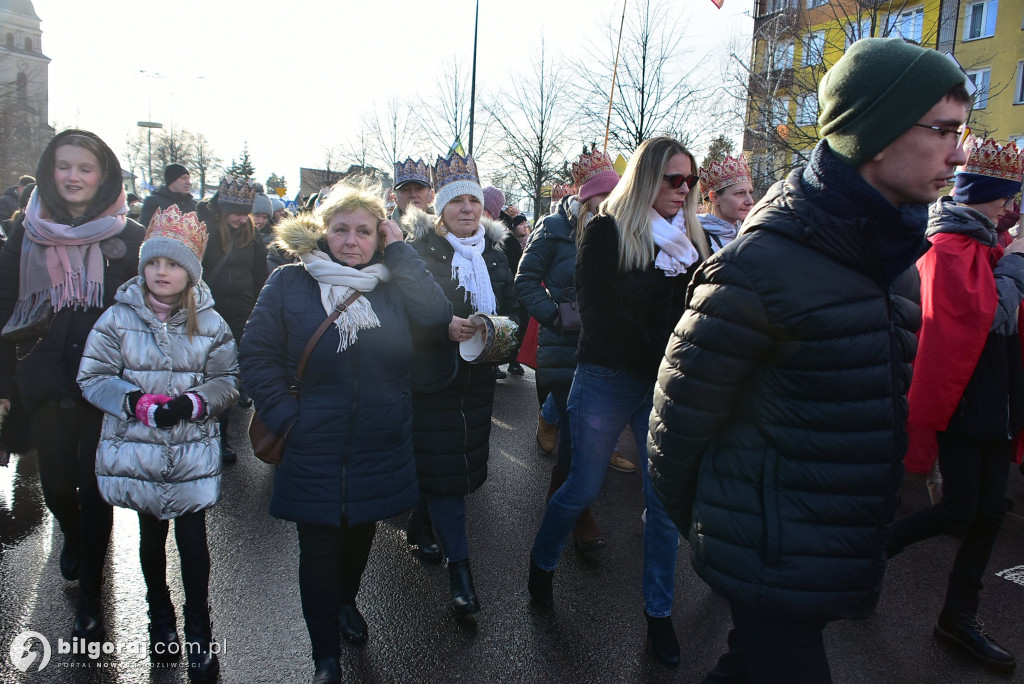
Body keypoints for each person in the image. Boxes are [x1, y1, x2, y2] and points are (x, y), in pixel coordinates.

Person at [648, 38, 971, 682]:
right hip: (769, 552)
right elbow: (674, 429)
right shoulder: (761, 266)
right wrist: (730, 537)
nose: (959, 154)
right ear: (875, 137)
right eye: (943, 130)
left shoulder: (894, 263)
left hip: (831, 542)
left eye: (963, 133)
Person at [239, 182, 450, 684]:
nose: (351, 241)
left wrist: (401, 251)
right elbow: (257, 354)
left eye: (364, 231)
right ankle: (325, 657)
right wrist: (289, 418)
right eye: (340, 230)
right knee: (318, 548)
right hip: (314, 440)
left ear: (379, 236)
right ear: (324, 232)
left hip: (380, 440)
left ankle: (346, 603)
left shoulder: (394, 282)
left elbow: (437, 315)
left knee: (359, 538)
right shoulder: (291, 282)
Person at [528, 136, 709, 667]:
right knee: (582, 484)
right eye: (672, 179)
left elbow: (698, 311)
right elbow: (600, 313)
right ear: (646, 178)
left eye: (690, 180)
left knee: (662, 506)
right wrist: (663, 352)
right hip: (608, 374)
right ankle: (541, 563)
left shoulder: (693, 239)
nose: (682, 189)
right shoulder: (606, 229)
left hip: (663, 384)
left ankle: (658, 615)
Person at [77, 206, 238, 682]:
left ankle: (199, 625)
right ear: (142, 266)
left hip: (190, 451)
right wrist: (137, 402)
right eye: (153, 263)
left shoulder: (211, 323)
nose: (160, 272)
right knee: (151, 538)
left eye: (171, 264)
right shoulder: (117, 317)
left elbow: (227, 378)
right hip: (141, 450)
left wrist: (192, 403)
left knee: (192, 541)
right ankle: (160, 616)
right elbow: (94, 376)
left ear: (189, 272)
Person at [0, 129, 145, 642]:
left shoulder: (130, 235)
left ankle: (89, 593)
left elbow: (154, 309)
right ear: (50, 171)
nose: (74, 176)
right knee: (58, 484)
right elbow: (5, 306)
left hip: (106, 383)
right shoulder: (26, 232)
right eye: (65, 166)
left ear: (103, 175)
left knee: (96, 485)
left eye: (86, 168)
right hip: (44, 377)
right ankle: (73, 535)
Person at [888, 136, 1024, 674]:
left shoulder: (990, 247)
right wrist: (1017, 266)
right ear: (983, 194)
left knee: (989, 512)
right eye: (1004, 198)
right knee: (958, 509)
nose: (1010, 209)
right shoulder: (946, 247)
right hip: (965, 404)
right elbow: (987, 318)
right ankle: (867, 559)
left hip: (998, 402)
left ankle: (957, 618)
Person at [402, 152, 518, 615]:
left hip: (479, 378)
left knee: (457, 466)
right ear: (441, 209)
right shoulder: (419, 252)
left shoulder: (494, 253)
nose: (467, 208)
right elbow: (408, 312)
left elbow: (511, 305)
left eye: (473, 199)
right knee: (448, 474)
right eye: (456, 201)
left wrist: (502, 334)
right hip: (433, 379)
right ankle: (461, 570)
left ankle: (419, 523)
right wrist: (442, 329)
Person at [515, 149, 622, 553]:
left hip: (605, 348)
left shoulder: (617, 225)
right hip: (563, 349)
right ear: (586, 195)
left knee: (587, 437)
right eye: (603, 196)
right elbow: (524, 282)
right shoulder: (553, 227)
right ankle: (579, 515)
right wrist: (558, 318)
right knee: (578, 437)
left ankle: (559, 507)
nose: (610, 204)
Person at [196, 175, 267, 462]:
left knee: (225, 381)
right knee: (203, 378)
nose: (240, 219)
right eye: (235, 213)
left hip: (240, 316)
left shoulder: (253, 238)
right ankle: (199, 435)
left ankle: (220, 440)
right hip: (204, 316)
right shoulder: (205, 231)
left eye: (245, 213)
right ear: (223, 209)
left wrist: (258, 310)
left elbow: (260, 277)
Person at [697, 154, 754, 253]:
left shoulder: (750, 235)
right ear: (714, 198)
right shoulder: (695, 239)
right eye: (740, 193)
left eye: (750, 192)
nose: (750, 201)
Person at [139, 163, 197, 229]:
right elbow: (146, 229)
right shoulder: (154, 202)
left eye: (188, 178)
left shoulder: (194, 205)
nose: (188, 182)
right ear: (172, 180)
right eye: (183, 178)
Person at [391, 157, 434, 223]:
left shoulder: (445, 228)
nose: (413, 194)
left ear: (431, 195)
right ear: (395, 198)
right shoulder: (382, 231)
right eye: (405, 189)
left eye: (419, 188)